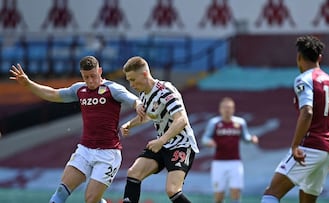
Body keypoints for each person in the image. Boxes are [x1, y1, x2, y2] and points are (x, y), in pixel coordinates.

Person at [9, 56, 142, 203]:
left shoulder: (112, 89)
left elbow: (134, 100)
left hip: (108, 154)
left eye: (93, 76)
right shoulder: (79, 89)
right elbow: (53, 94)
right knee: (61, 192)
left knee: (91, 199)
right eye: (86, 77)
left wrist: (138, 105)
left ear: (100, 71)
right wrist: (29, 84)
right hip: (84, 150)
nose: (90, 81)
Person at [261, 35, 329, 203]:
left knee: (272, 193)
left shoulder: (304, 79)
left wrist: (294, 146)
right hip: (327, 151)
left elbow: (307, 112)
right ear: (319, 58)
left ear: (298, 57)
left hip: (309, 147)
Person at [119, 56, 199, 203]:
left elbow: (181, 120)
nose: (131, 85)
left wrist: (161, 140)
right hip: (162, 144)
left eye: (133, 80)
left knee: (172, 190)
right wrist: (129, 124)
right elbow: (150, 115)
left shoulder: (165, 91)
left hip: (181, 144)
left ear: (144, 74)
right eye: (129, 80)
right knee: (133, 173)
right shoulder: (143, 93)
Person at [202, 97, 258, 203]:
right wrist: (208, 142)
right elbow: (205, 138)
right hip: (218, 163)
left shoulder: (240, 123)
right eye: (225, 107)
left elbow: (245, 137)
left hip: (235, 163)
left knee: (236, 192)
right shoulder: (214, 123)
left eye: (229, 107)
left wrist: (251, 139)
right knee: (219, 195)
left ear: (233, 109)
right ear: (220, 109)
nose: (227, 110)